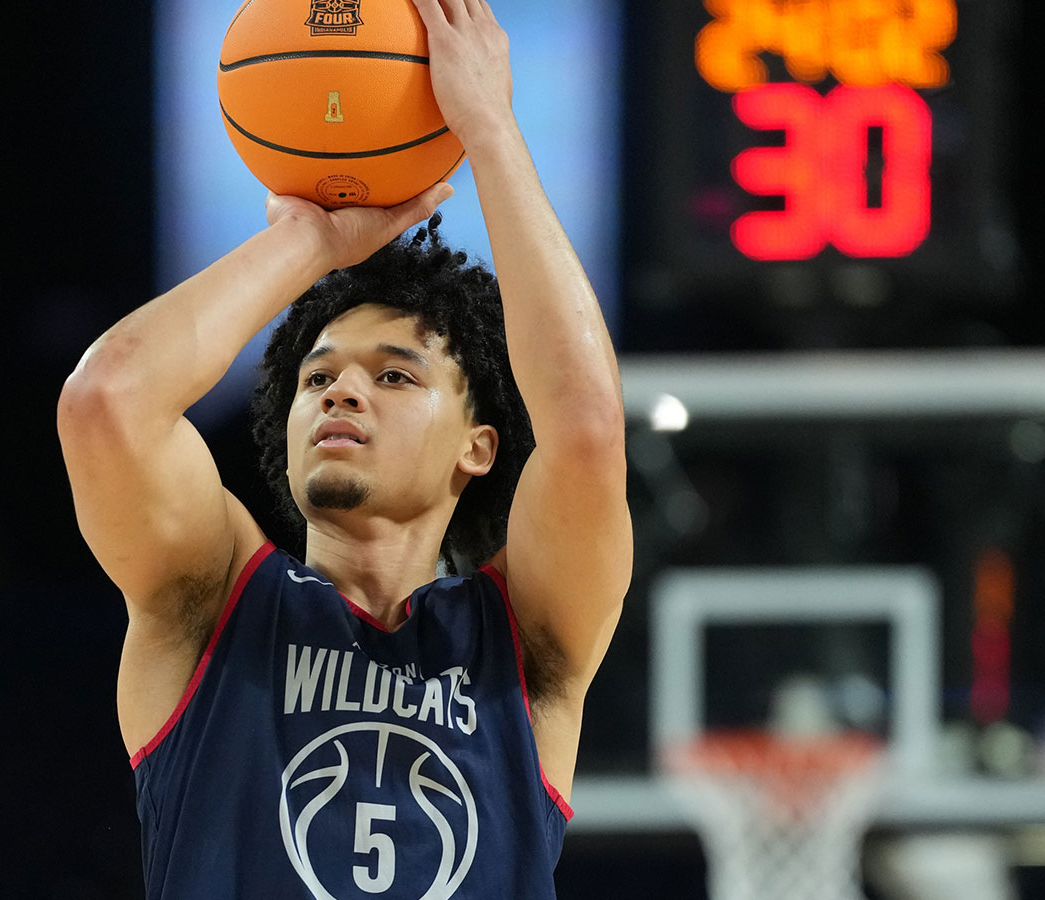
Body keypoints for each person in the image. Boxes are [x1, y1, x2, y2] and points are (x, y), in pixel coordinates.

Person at [56, 2, 631, 896]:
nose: (341, 390)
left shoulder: (523, 637)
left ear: (478, 448)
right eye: (317, 378)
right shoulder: (211, 601)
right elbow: (106, 402)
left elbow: (588, 426)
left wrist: (488, 128)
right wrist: (308, 241)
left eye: (395, 376)